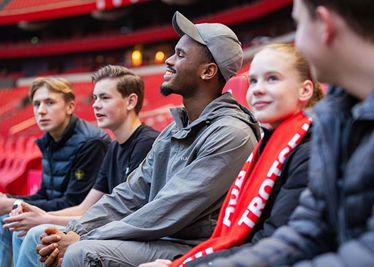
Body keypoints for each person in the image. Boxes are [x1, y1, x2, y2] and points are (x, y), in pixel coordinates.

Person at [36, 11, 260, 267]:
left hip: (194, 248)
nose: (169, 60)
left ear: (208, 71)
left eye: (181, 55)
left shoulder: (232, 134)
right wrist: (75, 230)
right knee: (54, 241)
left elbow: (167, 209)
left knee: (81, 252)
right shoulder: (173, 130)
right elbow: (131, 193)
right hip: (161, 239)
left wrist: (83, 237)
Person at [199, 0, 374, 266]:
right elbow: (310, 231)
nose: (298, 42)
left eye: (298, 24)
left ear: (324, 24)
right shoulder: (338, 115)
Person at [140, 43, 324, 267]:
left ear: (304, 90)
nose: (257, 89)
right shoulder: (268, 146)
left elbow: (273, 242)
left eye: (272, 79)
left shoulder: (310, 152)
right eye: (253, 81)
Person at [6, 65, 159, 267]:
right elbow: (86, 207)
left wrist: (44, 219)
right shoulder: (114, 147)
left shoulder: (147, 144)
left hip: (132, 235)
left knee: (37, 232)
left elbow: (129, 214)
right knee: (30, 227)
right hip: (108, 226)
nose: (95, 105)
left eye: (104, 98)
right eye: (94, 98)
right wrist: (41, 215)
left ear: (131, 101)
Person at [0, 77, 110, 267]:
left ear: (70, 107)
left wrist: (14, 204)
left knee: (15, 222)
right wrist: (11, 200)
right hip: (57, 211)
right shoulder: (49, 139)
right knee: (7, 218)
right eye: (36, 104)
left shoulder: (91, 143)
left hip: (81, 221)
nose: (41, 110)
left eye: (49, 102)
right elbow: (45, 194)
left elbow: (75, 203)